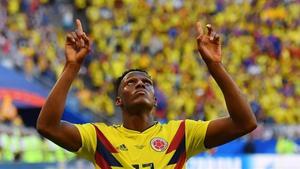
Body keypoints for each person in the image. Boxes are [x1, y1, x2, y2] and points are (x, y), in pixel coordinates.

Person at [36, 19, 257, 169]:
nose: (140, 84)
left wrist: (215, 65)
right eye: (130, 82)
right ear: (119, 100)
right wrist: (72, 66)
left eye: (147, 83)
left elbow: (244, 123)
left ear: (155, 99)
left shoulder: (182, 134)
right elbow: (48, 126)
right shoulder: (99, 139)